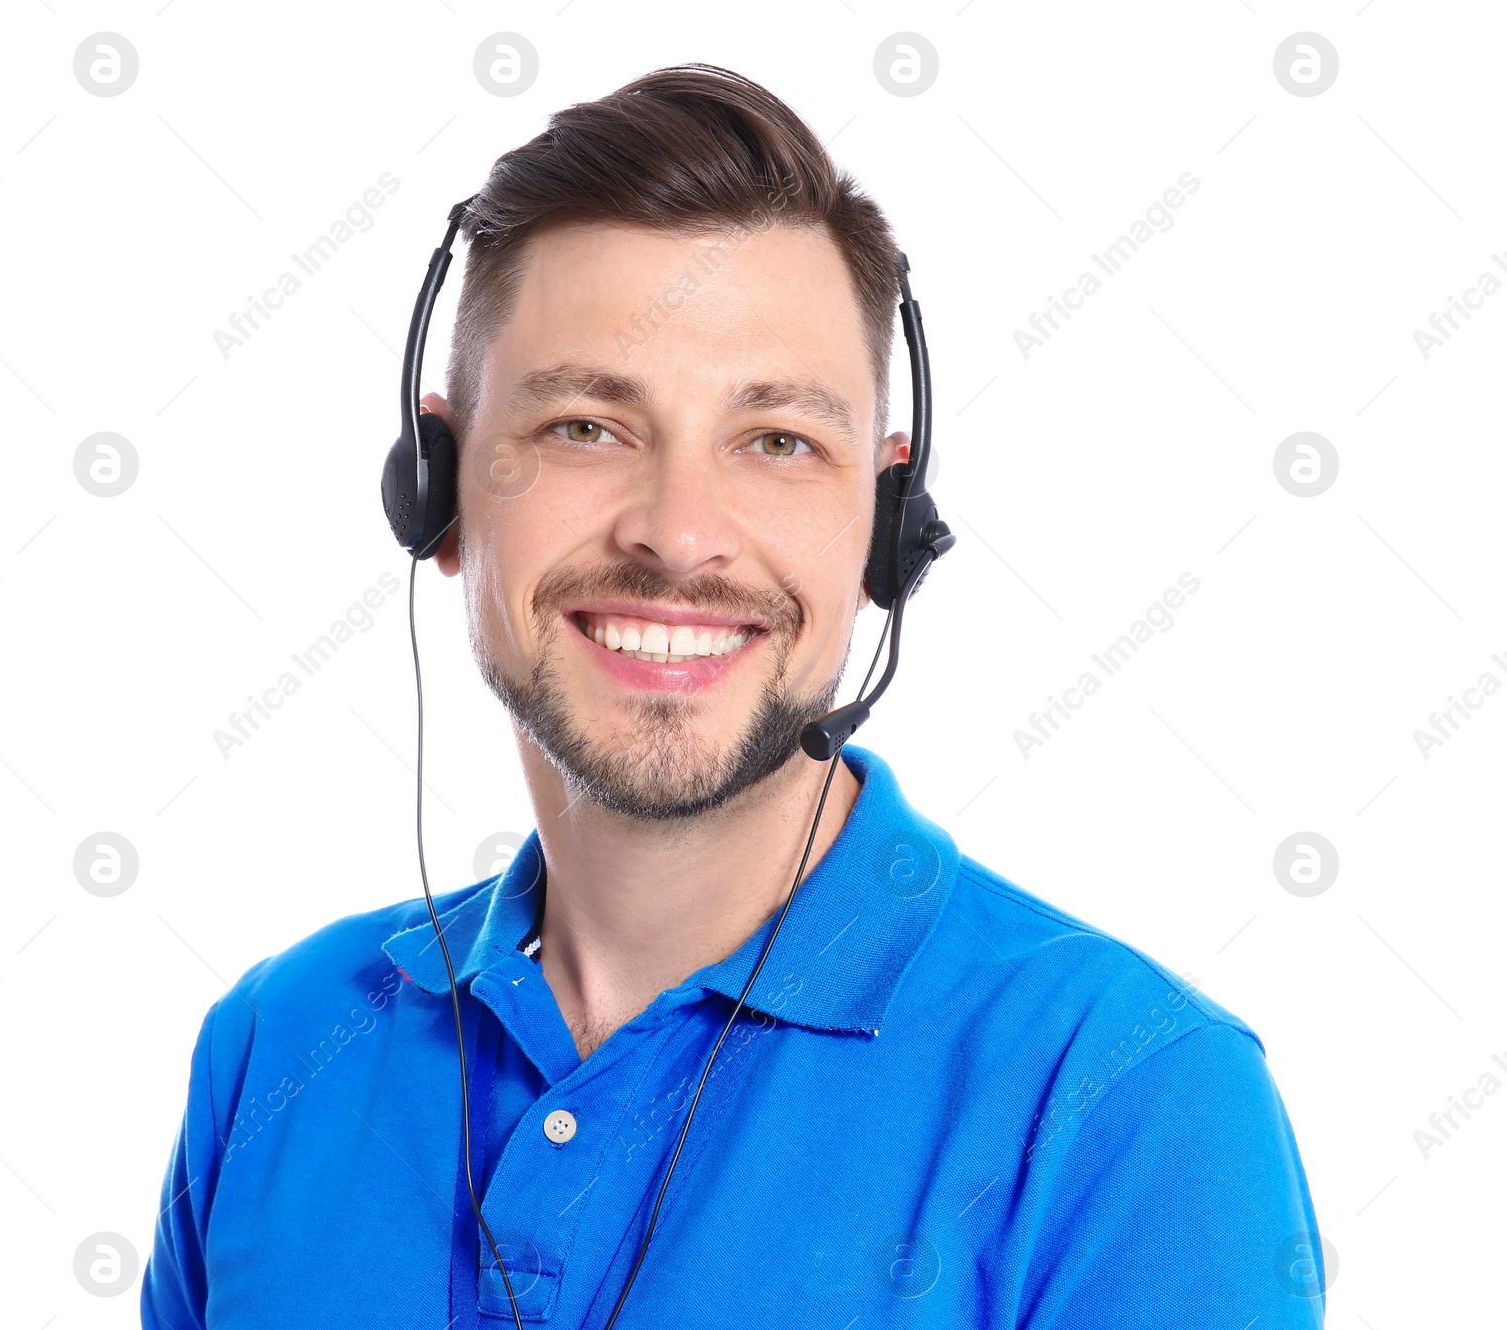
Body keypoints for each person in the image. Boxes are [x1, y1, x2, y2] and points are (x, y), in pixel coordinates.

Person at [142, 64, 1325, 1329]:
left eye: (776, 443)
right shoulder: (277, 1044)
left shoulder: (1129, 1101)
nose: (679, 535)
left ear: (887, 524)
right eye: (586, 426)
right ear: (434, 487)